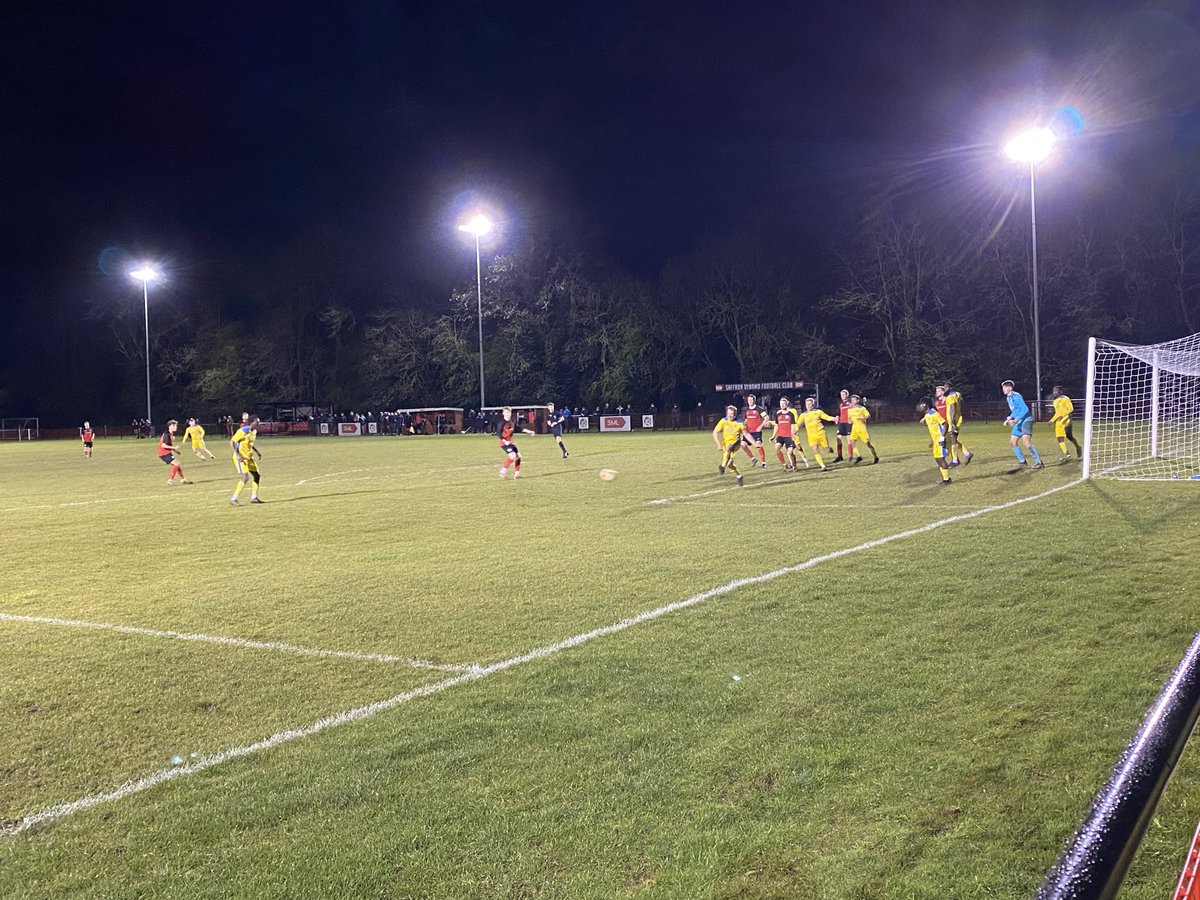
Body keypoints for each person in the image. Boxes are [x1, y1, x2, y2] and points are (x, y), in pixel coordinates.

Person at [1001, 380, 1044, 469]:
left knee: (1026, 442)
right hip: (1019, 421)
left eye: (1005, 387)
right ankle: (1022, 461)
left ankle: (1039, 462)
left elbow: (1025, 409)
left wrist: (1015, 420)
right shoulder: (1008, 398)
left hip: (1026, 420)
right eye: (1003, 387)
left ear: (1010, 388)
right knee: (1013, 442)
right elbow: (1015, 410)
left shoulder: (1016, 396)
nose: (1003, 389)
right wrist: (1009, 418)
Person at [935, 384, 973, 466]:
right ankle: (966, 454)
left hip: (953, 421)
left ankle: (956, 460)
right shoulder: (956, 395)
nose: (944, 390)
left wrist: (952, 421)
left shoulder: (950, 397)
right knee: (952, 440)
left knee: (952, 439)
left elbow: (952, 408)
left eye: (945, 388)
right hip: (955, 420)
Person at [230, 416, 264, 505]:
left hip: (249, 457)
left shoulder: (254, 432)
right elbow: (232, 441)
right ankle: (234, 498)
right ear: (252, 422)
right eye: (257, 422)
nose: (258, 424)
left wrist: (257, 452)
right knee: (245, 477)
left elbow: (249, 443)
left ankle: (254, 497)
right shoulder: (243, 430)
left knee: (256, 475)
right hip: (241, 457)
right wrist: (237, 454)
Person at [918, 400, 953, 485]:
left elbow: (945, 424)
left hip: (940, 441)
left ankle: (946, 479)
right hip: (935, 442)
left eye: (922, 404)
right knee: (937, 459)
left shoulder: (934, 414)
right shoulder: (928, 414)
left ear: (927, 405)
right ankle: (945, 478)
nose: (920, 406)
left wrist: (942, 437)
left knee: (941, 459)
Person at [798, 398, 837, 471]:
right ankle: (823, 466)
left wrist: (833, 418)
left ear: (813, 405)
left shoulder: (818, 412)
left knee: (827, 450)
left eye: (810, 404)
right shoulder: (803, 415)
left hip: (821, 434)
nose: (808, 406)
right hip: (811, 436)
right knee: (815, 450)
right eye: (807, 404)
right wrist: (794, 431)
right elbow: (798, 424)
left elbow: (826, 417)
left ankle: (829, 449)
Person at [712, 404, 746, 486]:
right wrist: (718, 444)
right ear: (726, 413)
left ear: (736, 414)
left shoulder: (739, 422)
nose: (731, 415)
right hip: (726, 443)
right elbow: (715, 432)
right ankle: (739, 476)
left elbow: (745, 433)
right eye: (729, 413)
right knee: (730, 464)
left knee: (729, 447)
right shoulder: (723, 421)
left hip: (736, 444)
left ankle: (722, 467)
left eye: (733, 413)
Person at [497, 406, 535, 478]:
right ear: (503, 413)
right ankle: (503, 470)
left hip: (511, 443)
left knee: (518, 457)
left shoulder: (512, 422)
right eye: (506, 412)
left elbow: (520, 429)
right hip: (504, 443)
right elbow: (498, 434)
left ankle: (517, 474)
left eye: (509, 412)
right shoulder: (501, 423)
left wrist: (530, 431)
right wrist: (505, 441)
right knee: (512, 456)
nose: (508, 414)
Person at [1048, 385, 1083, 463]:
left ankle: (1078, 447)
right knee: (1060, 438)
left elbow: (1071, 409)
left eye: (1056, 391)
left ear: (1060, 392)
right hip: (1058, 422)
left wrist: (1063, 415)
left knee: (1069, 436)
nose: (1054, 392)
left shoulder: (1065, 398)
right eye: (1053, 391)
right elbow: (1057, 413)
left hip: (1066, 419)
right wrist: (1052, 420)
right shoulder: (1055, 401)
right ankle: (1067, 455)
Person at [771, 396, 806, 470]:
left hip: (788, 436)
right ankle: (784, 464)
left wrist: (793, 434)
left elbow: (792, 425)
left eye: (784, 404)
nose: (782, 405)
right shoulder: (778, 414)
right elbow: (777, 425)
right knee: (777, 448)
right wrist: (773, 436)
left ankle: (794, 465)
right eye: (781, 404)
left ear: (786, 404)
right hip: (780, 436)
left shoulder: (791, 414)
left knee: (790, 452)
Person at [846, 395, 879, 465]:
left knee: (868, 444)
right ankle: (859, 456)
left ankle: (875, 457)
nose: (853, 401)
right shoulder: (849, 409)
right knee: (852, 443)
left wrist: (863, 418)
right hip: (854, 428)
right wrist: (849, 421)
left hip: (861, 428)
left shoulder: (862, 408)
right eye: (852, 400)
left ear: (858, 400)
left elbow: (868, 415)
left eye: (854, 400)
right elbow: (849, 418)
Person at [740, 394, 769, 467]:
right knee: (743, 445)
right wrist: (744, 426)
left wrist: (760, 427)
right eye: (748, 400)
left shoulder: (759, 409)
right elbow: (746, 420)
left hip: (756, 432)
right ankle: (753, 458)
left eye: (751, 400)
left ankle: (763, 462)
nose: (750, 401)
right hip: (748, 432)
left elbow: (766, 418)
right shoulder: (746, 410)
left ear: (754, 400)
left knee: (758, 445)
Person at [159, 420, 187, 485]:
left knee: (176, 465)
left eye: (175, 425)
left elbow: (168, 444)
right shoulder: (167, 434)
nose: (175, 427)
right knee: (176, 464)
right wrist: (174, 448)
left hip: (166, 453)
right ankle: (170, 480)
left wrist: (175, 450)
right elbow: (163, 445)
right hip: (163, 453)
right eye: (173, 426)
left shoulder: (171, 434)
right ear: (169, 427)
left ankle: (183, 479)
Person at [834, 389, 853, 462]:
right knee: (838, 438)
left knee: (849, 440)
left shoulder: (850, 403)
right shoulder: (840, 404)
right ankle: (839, 456)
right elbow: (838, 412)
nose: (842, 396)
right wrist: (837, 417)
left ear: (847, 395)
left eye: (844, 394)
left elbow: (853, 412)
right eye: (841, 395)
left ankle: (850, 456)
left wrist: (851, 419)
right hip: (841, 423)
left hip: (848, 423)